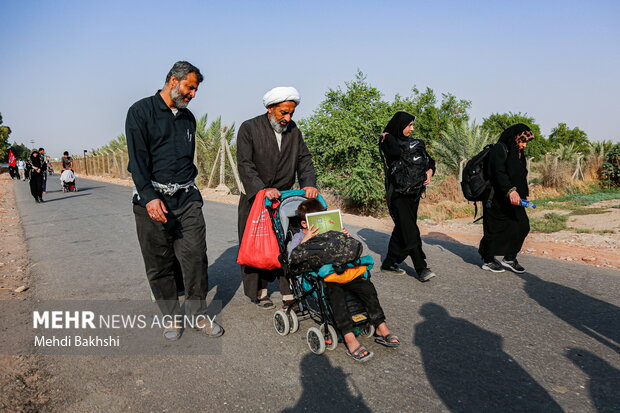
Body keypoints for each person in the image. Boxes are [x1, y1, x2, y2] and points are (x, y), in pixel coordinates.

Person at [126, 60, 223, 340]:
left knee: (195, 257)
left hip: (187, 198)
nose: (193, 94)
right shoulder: (140, 112)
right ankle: (170, 316)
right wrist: (149, 197)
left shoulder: (187, 118)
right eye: (189, 87)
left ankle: (198, 315)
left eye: (195, 90)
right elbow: (137, 160)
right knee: (159, 263)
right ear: (172, 81)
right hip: (152, 200)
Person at [289, 199, 400, 362]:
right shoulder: (300, 236)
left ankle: (381, 326)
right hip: (318, 277)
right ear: (304, 224)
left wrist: (345, 237)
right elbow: (291, 257)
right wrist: (307, 239)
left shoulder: (332, 233)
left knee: (366, 286)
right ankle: (349, 338)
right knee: (336, 293)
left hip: (342, 271)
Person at [237, 86, 317, 309]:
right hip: (256, 197)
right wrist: (262, 188)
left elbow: (304, 159)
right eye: (283, 112)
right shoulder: (249, 128)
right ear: (270, 108)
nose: (287, 118)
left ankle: (288, 291)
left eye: (291, 113)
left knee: (287, 241)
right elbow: (245, 164)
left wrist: (309, 183)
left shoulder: (294, 130)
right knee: (258, 244)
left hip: (284, 198)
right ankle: (259, 291)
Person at [379, 111, 436, 281]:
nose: (412, 128)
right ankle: (421, 268)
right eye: (409, 125)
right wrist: (388, 136)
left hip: (414, 192)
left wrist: (430, 171)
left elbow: (429, 160)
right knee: (410, 230)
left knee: (403, 228)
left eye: (412, 125)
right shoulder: (388, 142)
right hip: (398, 193)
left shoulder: (415, 144)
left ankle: (389, 263)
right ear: (399, 125)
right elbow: (395, 153)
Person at [479, 124, 534, 273]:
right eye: (522, 141)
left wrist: (524, 193)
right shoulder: (500, 148)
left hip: (515, 198)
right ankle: (488, 259)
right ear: (514, 138)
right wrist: (510, 190)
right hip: (495, 198)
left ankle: (509, 257)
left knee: (522, 225)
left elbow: (522, 174)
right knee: (494, 229)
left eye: (526, 142)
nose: (524, 145)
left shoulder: (518, 152)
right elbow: (498, 173)